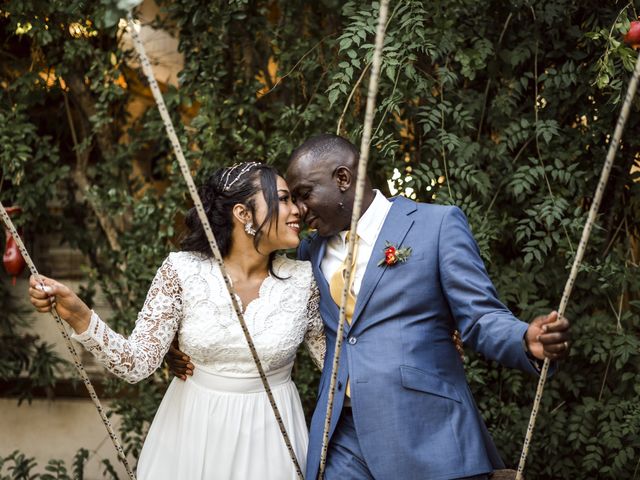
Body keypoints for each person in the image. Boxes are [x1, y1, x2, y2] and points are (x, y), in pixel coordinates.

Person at [168, 134, 571, 479]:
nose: (300, 210)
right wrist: (184, 341)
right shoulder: (305, 252)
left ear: (342, 179)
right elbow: (248, 285)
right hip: (340, 439)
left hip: (428, 431)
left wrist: (524, 338)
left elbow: (480, 317)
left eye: (305, 194)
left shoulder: (436, 225)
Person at [28, 162, 326, 480]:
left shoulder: (304, 280)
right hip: (193, 434)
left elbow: (337, 366)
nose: (297, 210)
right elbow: (136, 364)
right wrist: (79, 315)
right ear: (243, 213)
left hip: (273, 441)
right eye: (283, 199)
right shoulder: (182, 272)